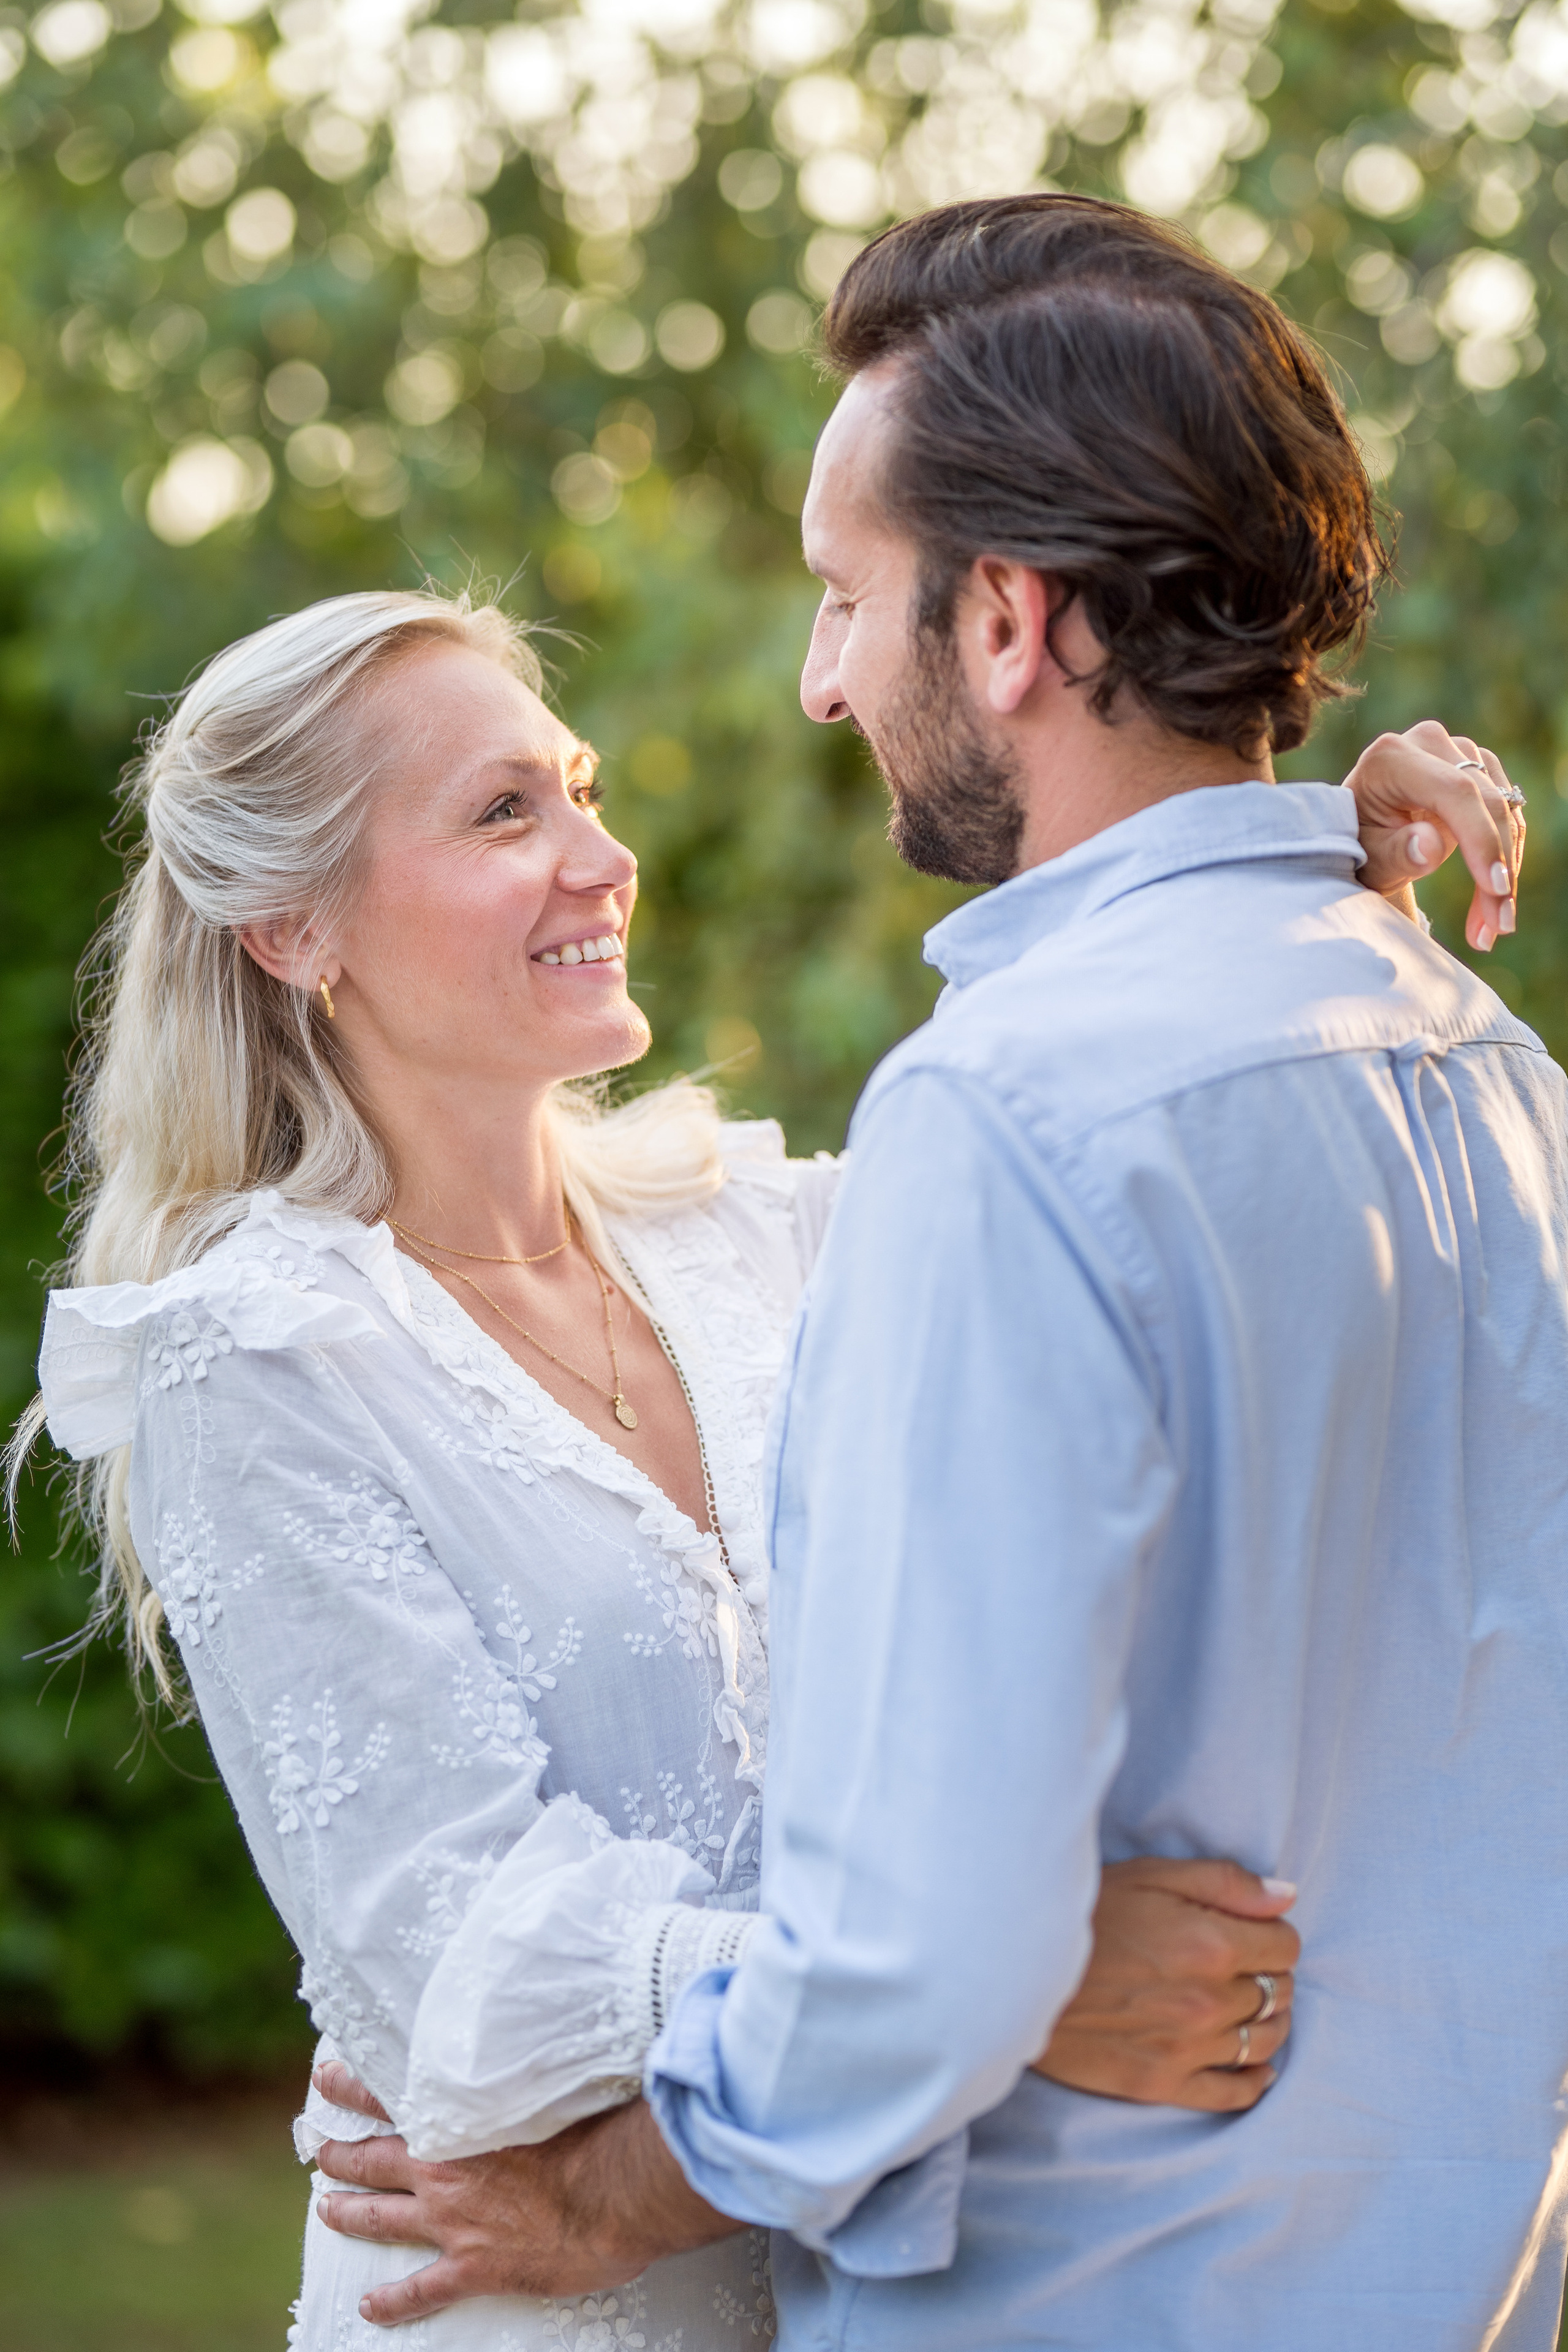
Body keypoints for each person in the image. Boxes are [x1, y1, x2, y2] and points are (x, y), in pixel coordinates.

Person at [306, 199, 1565, 2352]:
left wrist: (609, 2193)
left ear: (1004, 622)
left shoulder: (1008, 1121)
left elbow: (914, 1962)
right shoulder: (1488, 1068)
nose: (819, 677)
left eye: (841, 595)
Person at [17, 584, 1319, 2352]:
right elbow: (463, 1945)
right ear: (290, 930)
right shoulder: (247, 1359)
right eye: (503, 813)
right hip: (529, 2301)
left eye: (579, 785)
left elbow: (1153, 1190)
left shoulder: (762, 1230)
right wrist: (1003, 1982)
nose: (599, 854)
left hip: (903, 2268)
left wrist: (1312, 869)